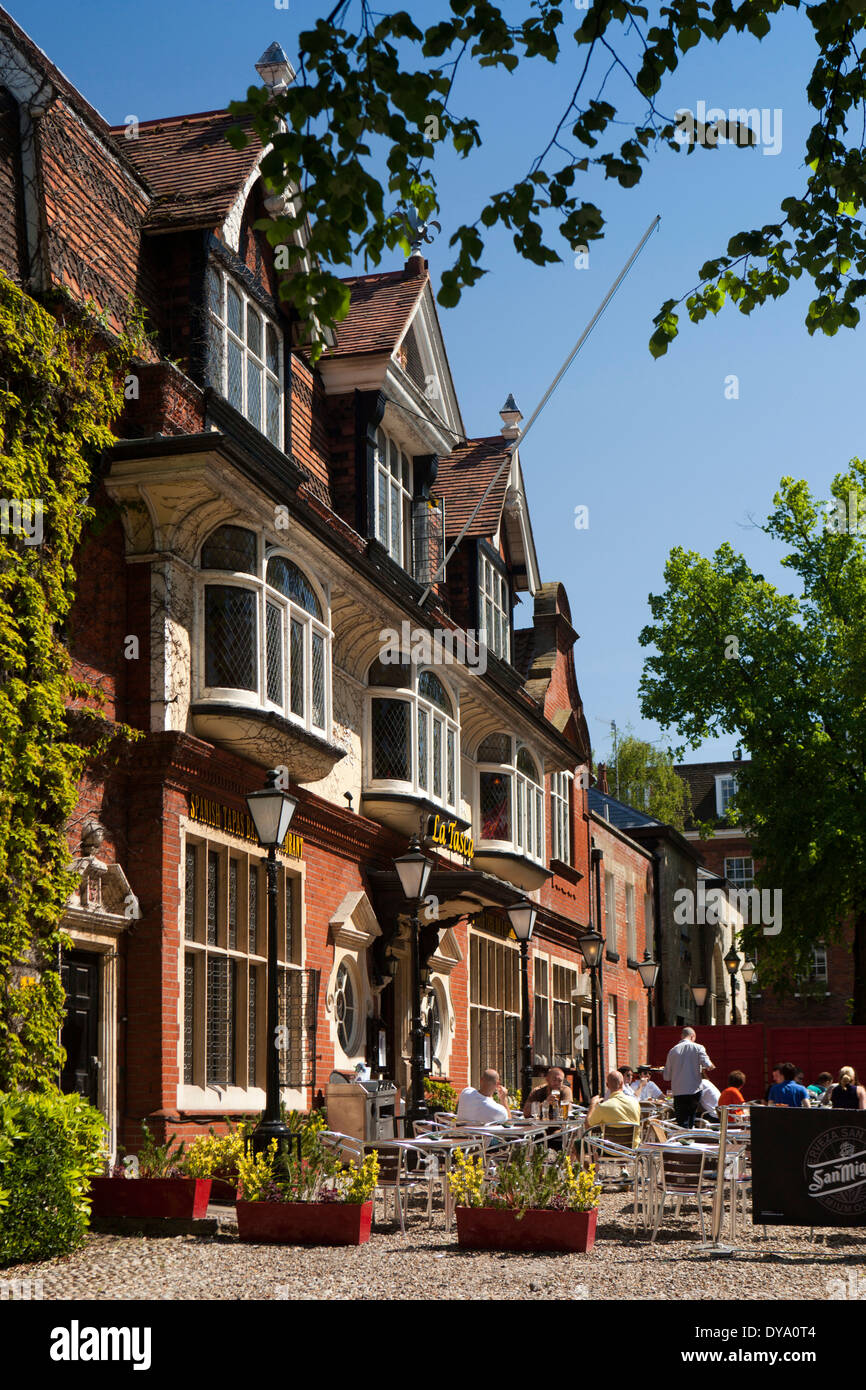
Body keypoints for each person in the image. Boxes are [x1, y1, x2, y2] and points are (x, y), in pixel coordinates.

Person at [663, 1027, 714, 1128]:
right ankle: (689, 1136)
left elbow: (666, 1077)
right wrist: (710, 1066)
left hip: (678, 1092)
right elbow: (708, 1066)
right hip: (694, 1090)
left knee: (681, 1122)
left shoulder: (673, 1051)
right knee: (691, 1119)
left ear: (681, 1036)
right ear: (692, 1036)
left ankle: (683, 1138)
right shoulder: (699, 1047)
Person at [584, 1070, 641, 1145]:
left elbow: (588, 1126)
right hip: (632, 1150)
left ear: (607, 1085)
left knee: (578, 1144)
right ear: (622, 1084)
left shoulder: (603, 1107)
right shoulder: (635, 1103)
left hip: (609, 1150)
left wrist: (592, 1104)